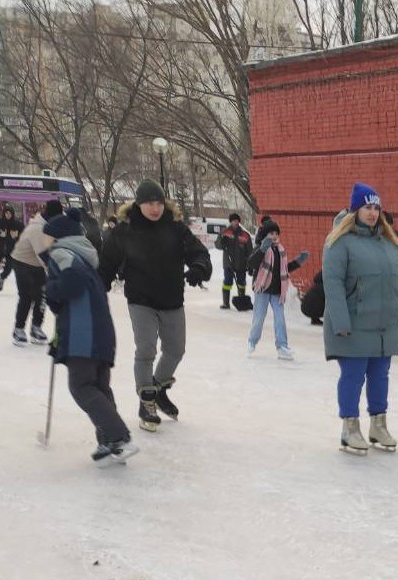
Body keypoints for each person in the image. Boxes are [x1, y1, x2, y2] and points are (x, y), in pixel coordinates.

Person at [98, 179, 212, 432]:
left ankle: (158, 389)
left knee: (175, 350)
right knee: (146, 348)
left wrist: (198, 268)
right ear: (138, 204)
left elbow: (199, 253)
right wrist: (98, 285)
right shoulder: (125, 232)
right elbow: (106, 264)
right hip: (141, 300)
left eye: (159, 203)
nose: (155, 208)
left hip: (172, 299)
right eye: (149, 203)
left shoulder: (175, 229)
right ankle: (146, 401)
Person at [322, 181, 398, 454]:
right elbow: (333, 284)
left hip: (383, 326)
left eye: (376, 208)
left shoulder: (389, 244)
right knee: (353, 377)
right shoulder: (339, 242)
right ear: (356, 210)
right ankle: (350, 428)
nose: (373, 213)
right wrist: (340, 322)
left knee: (380, 377)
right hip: (354, 325)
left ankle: (379, 425)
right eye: (367, 208)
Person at [41, 209, 137, 467]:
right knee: (99, 388)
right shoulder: (85, 257)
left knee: (81, 386)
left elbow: (73, 284)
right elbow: (75, 302)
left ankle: (118, 438)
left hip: (83, 335)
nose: (44, 241)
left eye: (46, 236)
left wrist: (49, 289)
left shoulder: (62, 253)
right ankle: (109, 442)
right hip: (100, 333)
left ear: (58, 236)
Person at [245, 217, 308, 359]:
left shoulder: (281, 250)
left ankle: (282, 346)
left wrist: (298, 262)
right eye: (271, 233)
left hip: (277, 291)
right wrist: (262, 249)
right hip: (262, 289)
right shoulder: (261, 248)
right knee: (259, 318)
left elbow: (284, 269)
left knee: (280, 318)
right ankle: (252, 342)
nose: (274, 236)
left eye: (276, 233)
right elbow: (251, 263)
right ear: (265, 235)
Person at [9, 199, 62, 344]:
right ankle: (19, 329)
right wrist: (56, 272)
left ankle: (36, 327)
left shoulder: (49, 225)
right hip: (22, 261)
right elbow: (43, 254)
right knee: (26, 296)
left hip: (37, 264)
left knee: (42, 296)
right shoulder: (38, 228)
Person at [215, 213, 254, 310]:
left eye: (237, 221)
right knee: (227, 282)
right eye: (233, 221)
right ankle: (226, 303)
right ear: (230, 222)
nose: (235, 222)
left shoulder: (245, 235)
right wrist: (222, 242)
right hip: (228, 263)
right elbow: (218, 245)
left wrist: (250, 265)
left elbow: (250, 251)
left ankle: (242, 300)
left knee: (241, 283)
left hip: (241, 263)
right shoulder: (225, 233)